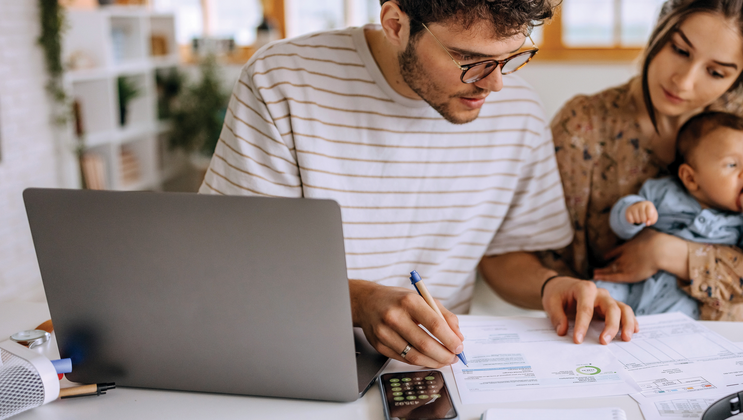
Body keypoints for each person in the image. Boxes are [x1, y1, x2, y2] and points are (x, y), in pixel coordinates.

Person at [198, 0, 638, 369]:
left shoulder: (518, 109)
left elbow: (506, 255)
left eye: (510, 57)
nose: (496, 83)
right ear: (396, 24)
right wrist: (360, 302)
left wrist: (550, 287)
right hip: (295, 353)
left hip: (439, 371)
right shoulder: (283, 80)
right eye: (469, 61)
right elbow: (237, 265)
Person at [542, 0, 743, 322]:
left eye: (715, 72)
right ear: (661, 24)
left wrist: (670, 253)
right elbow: (542, 264)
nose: (683, 81)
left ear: (742, 76)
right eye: (680, 50)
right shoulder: (583, 125)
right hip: (614, 333)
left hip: (732, 340)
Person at [598, 111, 743, 317]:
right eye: (732, 165)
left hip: (681, 296)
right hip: (633, 283)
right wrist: (631, 212)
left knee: (673, 324)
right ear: (691, 178)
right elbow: (621, 229)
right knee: (600, 294)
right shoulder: (664, 192)